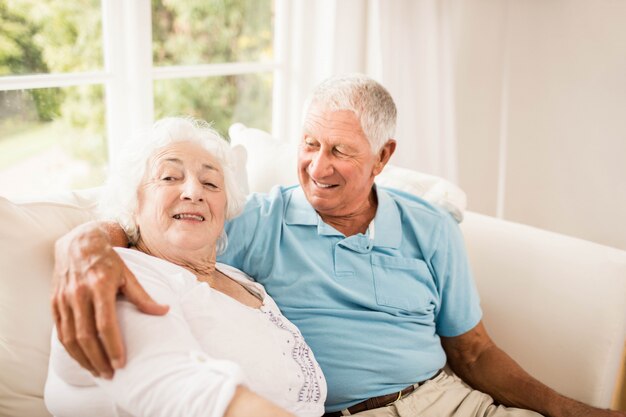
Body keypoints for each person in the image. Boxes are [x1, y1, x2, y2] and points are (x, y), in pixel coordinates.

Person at [51, 75, 625, 417]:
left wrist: (575, 411)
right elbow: (160, 229)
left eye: (341, 152)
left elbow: (473, 353)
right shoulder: (256, 222)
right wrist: (84, 243)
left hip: (451, 401)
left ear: (383, 157)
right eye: (308, 143)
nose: (316, 167)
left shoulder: (432, 228)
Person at [45, 117, 326, 417]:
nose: (194, 192)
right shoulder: (118, 273)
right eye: (169, 178)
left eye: (210, 183)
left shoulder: (238, 277)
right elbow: (183, 389)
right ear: (132, 201)